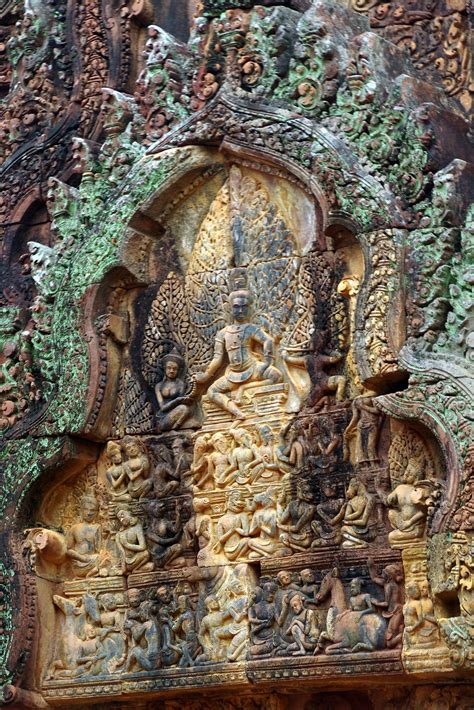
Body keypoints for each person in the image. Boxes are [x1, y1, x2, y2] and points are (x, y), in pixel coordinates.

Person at [195, 288, 281, 419]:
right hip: (232, 375)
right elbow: (217, 359)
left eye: (244, 307)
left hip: (253, 369)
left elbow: (267, 340)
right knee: (212, 391)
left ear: (249, 309)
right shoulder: (223, 333)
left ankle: (245, 388)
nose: (240, 311)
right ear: (230, 308)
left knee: (276, 376)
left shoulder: (251, 328)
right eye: (236, 307)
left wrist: (267, 362)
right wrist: (206, 376)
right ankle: (237, 413)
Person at [154, 348, 194, 431]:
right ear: (165, 368)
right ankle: (172, 429)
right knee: (183, 408)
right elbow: (162, 408)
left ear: (178, 370)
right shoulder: (159, 386)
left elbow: (181, 404)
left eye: (174, 369)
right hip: (162, 418)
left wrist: (182, 400)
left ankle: (175, 428)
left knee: (186, 409)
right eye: (169, 368)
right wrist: (178, 400)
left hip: (177, 413)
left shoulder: (180, 384)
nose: (171, 371)